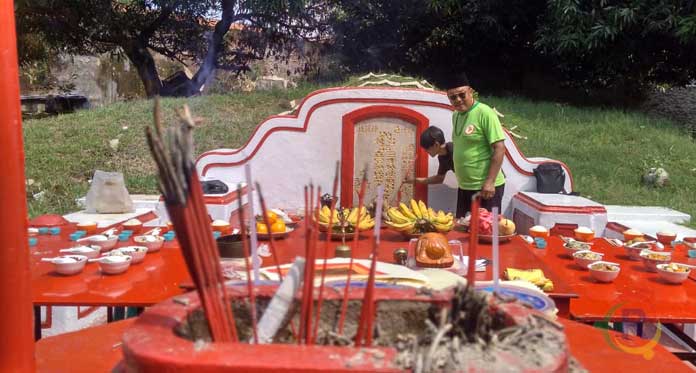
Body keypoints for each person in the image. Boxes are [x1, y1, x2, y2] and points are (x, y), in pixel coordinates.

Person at [445, 73, 506, 218]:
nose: (458, 100)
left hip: (485, 188)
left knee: (484, 233)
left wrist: (489, 182)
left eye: (462, 95)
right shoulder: (456, 115)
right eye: (453, 97)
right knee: (463, 230)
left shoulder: (485, 113)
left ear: (470, 92)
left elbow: (499, 148)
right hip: (465, 187)